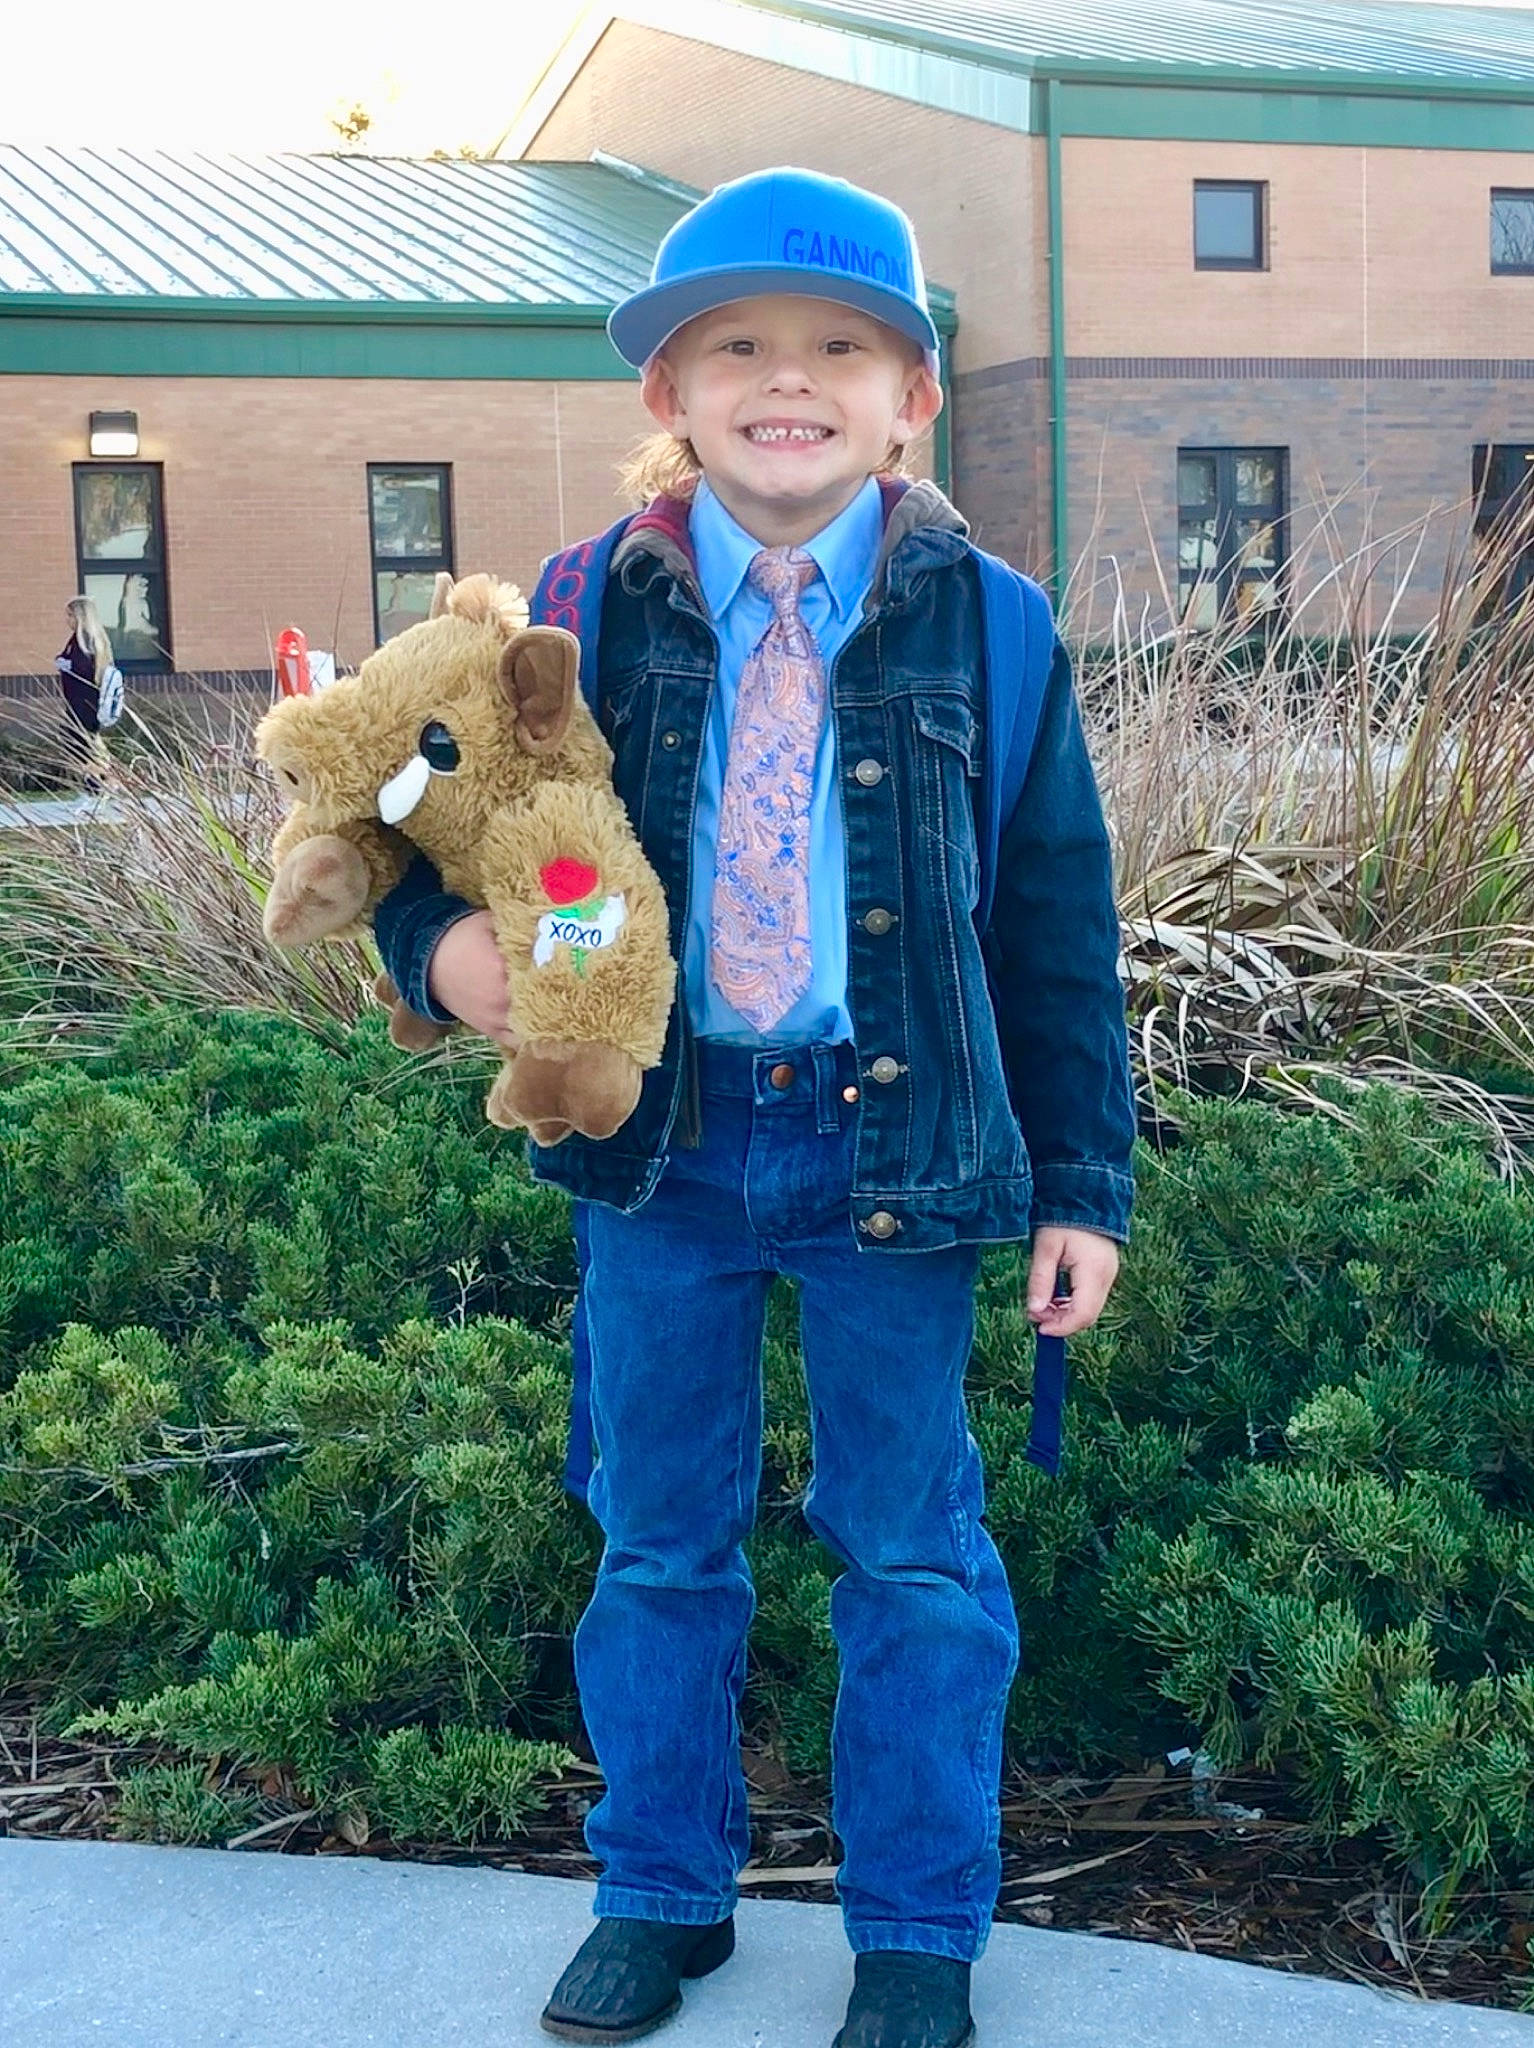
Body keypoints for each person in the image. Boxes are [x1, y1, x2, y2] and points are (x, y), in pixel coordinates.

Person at [373, 166, 1136, 2048]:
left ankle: (912, 1924)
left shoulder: (997, 624)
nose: (781, 380)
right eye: (733, 347)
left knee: (909, 1545)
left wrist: (1082, 1184)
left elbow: (1052, 916)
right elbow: (393, 803)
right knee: (653, 1531)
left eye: (834, 349)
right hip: (662, 1152)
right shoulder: (560, 616)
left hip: (903, 1149)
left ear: (908, 399)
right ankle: (660, 1888)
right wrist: (431, 954)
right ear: (669, 393)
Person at [52, 595, 113, 789]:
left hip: (86, 703)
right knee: (79, 742)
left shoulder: (88, 639)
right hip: (76, 701)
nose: (67, 620)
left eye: (70, 615)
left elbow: (85, 669)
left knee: (80, 743)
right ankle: (100, 781)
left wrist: (68, 665)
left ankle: (101, 783)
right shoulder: (77, 639)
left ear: (80, 616)